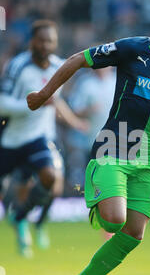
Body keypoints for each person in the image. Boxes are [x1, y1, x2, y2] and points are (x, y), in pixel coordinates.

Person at [27, 0, 150, 275]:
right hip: (112, 149)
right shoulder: (132, 49)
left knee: (133, 234)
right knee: (113, 220)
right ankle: (95, 194)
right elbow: (79, 58)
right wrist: (43, 94)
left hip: (149, 161)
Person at [0, 20, 87, 257]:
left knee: (52, 178)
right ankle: (22, 224)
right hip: (10, 137)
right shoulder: (17, 66)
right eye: (42, 40)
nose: (46, 44)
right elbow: (3, 104)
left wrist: (75, 122)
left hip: (39, 137)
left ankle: (23, 219)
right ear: (32, 42)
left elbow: (56, 102)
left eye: (51, 40)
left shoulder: (59, 67)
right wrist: (35, 104)